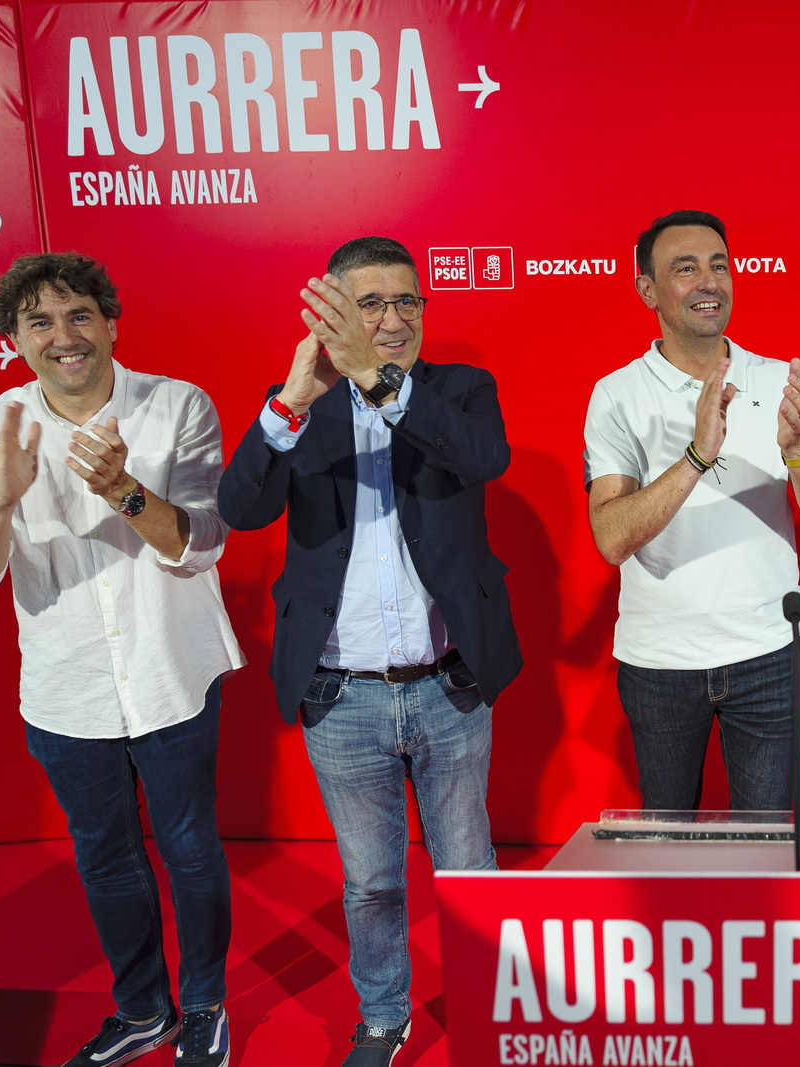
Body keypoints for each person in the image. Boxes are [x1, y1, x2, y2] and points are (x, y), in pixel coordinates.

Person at [0, 253, 243, 1067]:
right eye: (40, 322)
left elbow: (204, 543)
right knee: (106, 855)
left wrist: (126, 493)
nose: (63, 337)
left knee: (189, 846)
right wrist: (1, 498)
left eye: (79, 316)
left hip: (172, 672)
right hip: (66, 688)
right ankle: (144, 1010)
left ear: (111, 322)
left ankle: (206, 1004)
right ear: (13, 339)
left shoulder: (176, 405)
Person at [216, 236, 520, 1065]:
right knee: (371, 882)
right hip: (339, 694)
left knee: (469, 867)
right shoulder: (298, 405)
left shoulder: (460, 390)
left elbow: (481, 456)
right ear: (332, 314)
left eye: (407, 302)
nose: (393, 320)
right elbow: (241, 508)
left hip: (447, 684)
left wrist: (382, 385)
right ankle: (384, 1014)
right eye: (372, 305)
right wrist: (289, 400)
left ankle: (491, 1008)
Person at [583, 210, 800, 812]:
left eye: (719, 265)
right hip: (660, 663)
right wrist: (697, 457)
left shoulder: (783, 382)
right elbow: (611, 537)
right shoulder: (618, 394)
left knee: (768, 852)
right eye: (685, 268)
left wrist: (798, 453)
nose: (710, 281)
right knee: (668, 845)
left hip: (769, 657)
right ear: (646, 288)